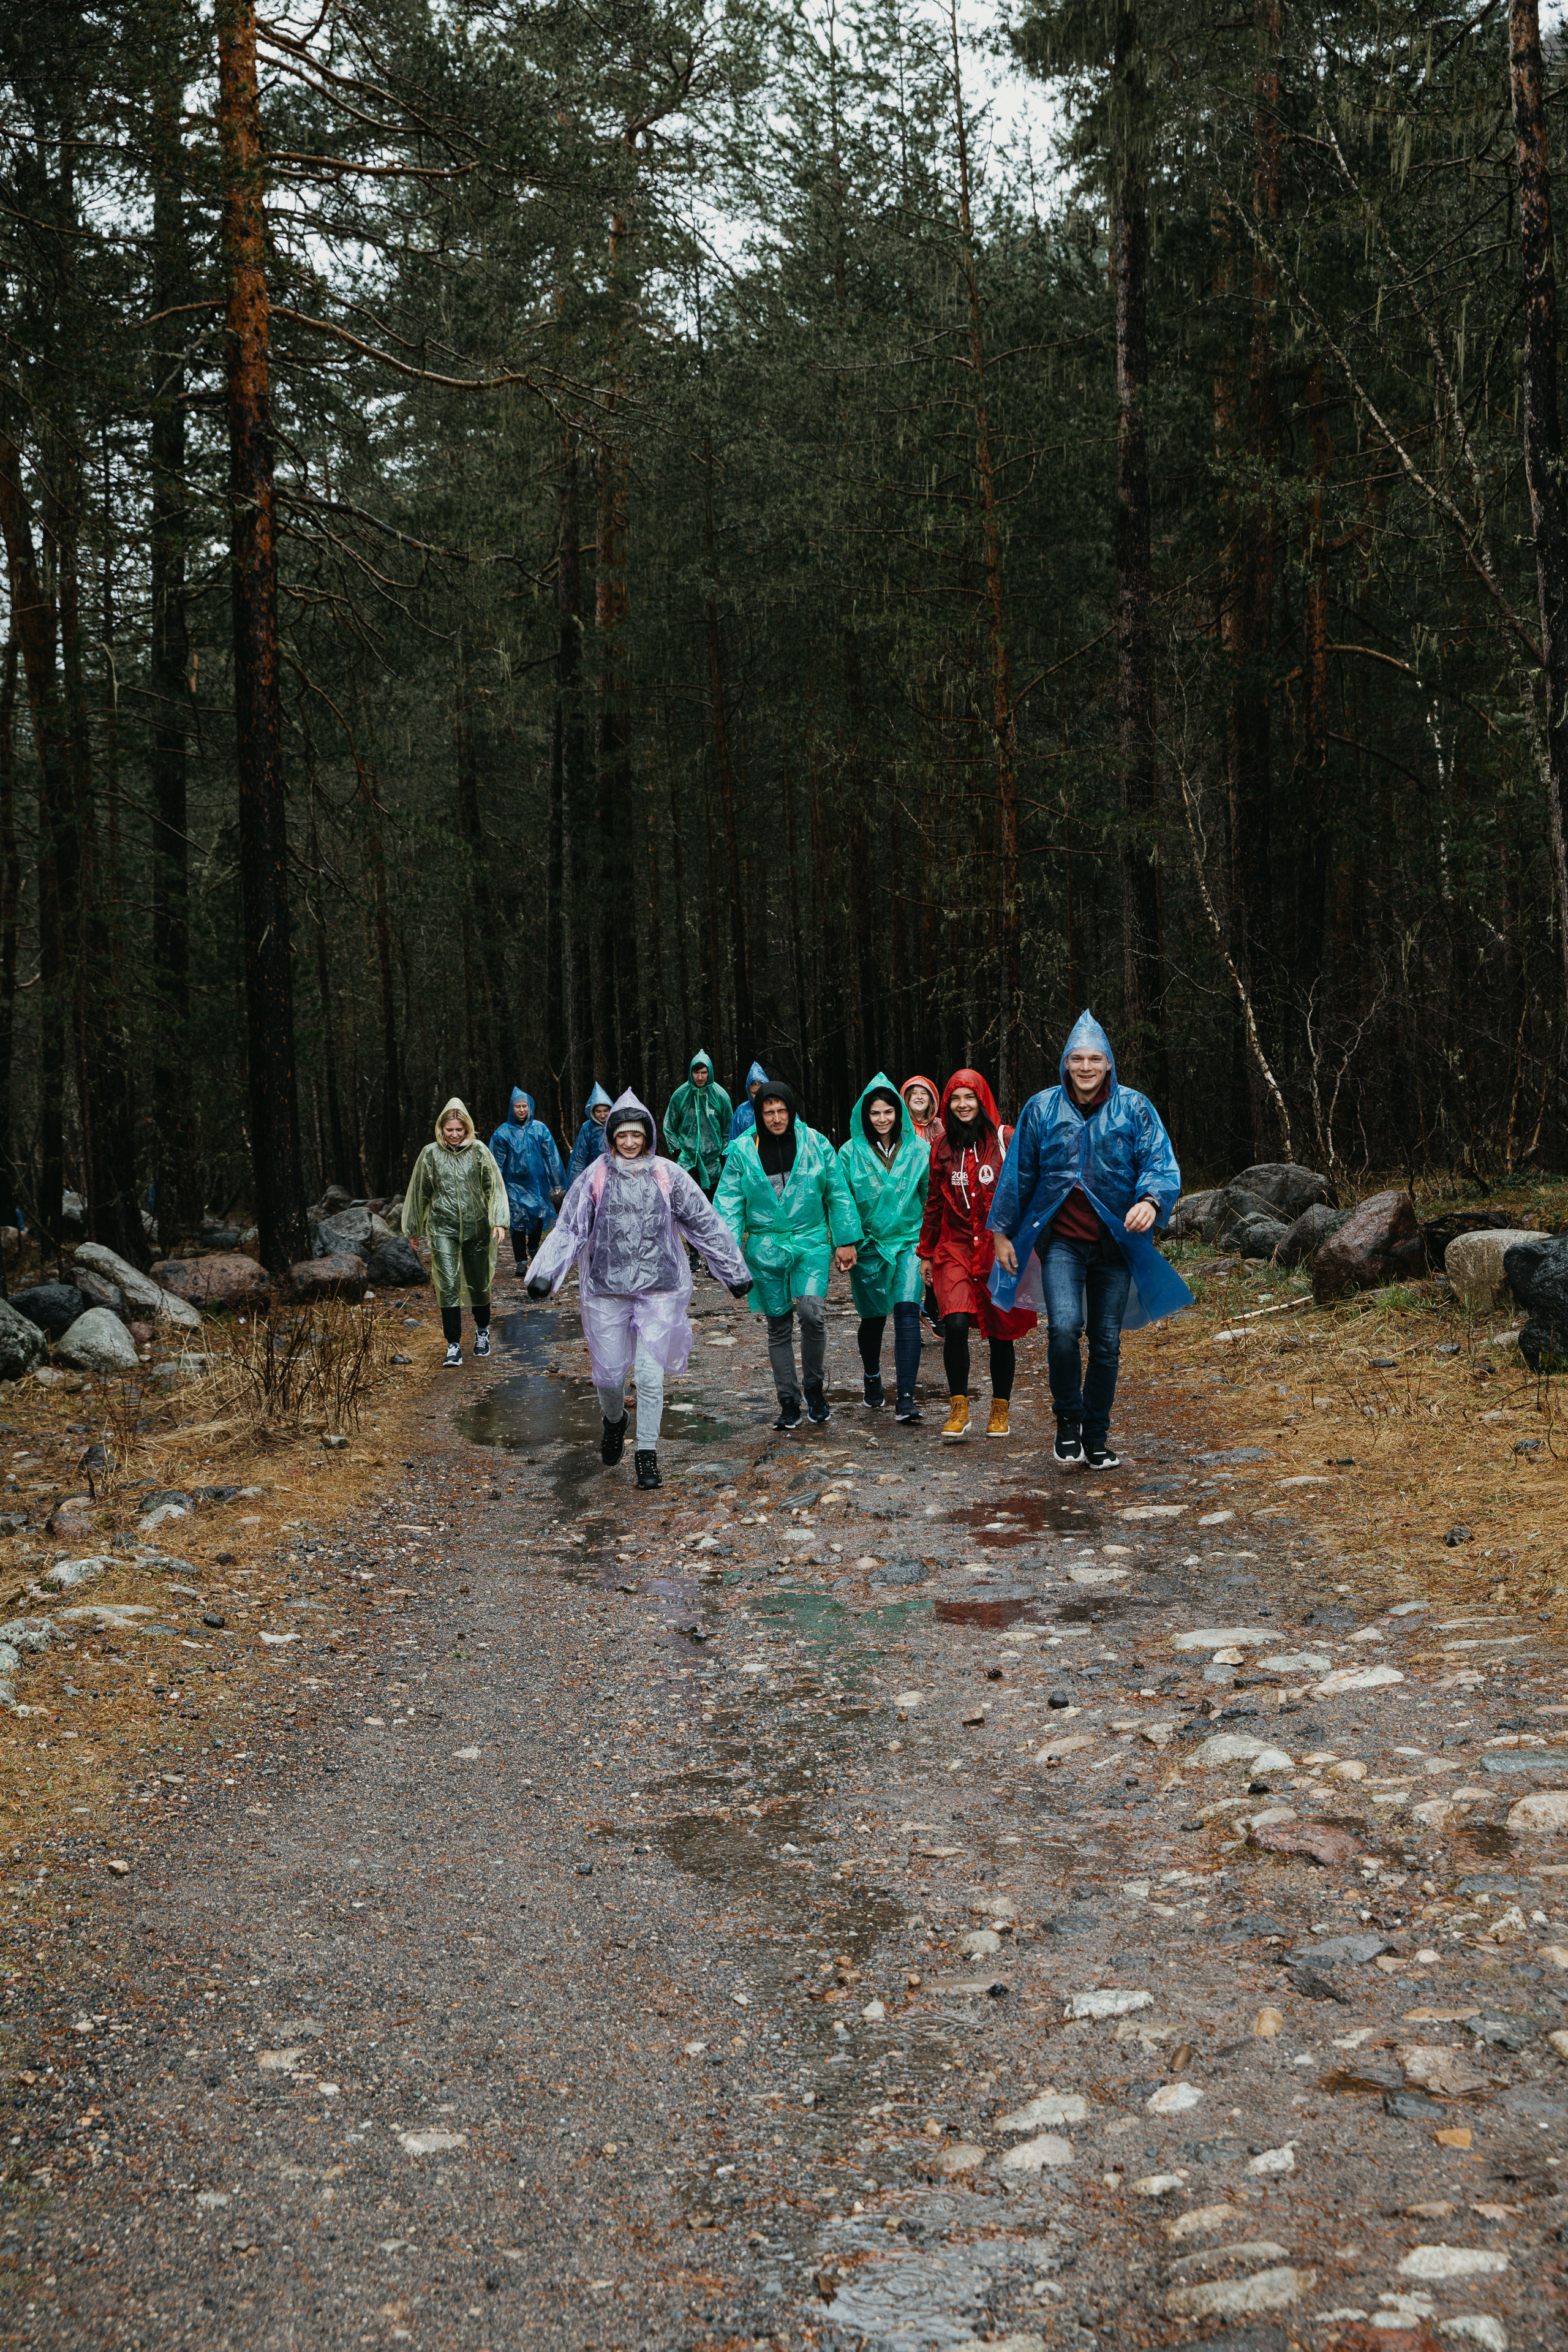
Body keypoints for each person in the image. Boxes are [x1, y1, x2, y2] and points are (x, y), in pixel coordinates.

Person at [988, 1009, 1189, 1469]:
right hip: (1061, 1242)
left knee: (1106, 1342)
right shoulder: (1041, 1108)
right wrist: (1002, 1232)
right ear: (1065, 1063)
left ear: (1108, 1064)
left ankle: (1096, 1436)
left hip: (1116, 1246)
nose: (1085, 1067)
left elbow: (1160, 1164)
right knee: (1062, 1329)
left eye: (1094, 1059)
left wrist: (1152, 1202)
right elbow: (1018, 1173)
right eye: (1077, 1059)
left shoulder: (1134, 1108)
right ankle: (1068, 1423)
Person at [526, 1091, 751, 1490]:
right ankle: (615, 1420)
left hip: (657, 1290)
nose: (630, 1143)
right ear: (611, 1137)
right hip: (606, 1289)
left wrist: (733, 1271)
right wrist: (545, 1273)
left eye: (637, 1135)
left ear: (648, 1136)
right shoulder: (595, 1176)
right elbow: (570, 1229)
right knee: (608, 1377)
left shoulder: (668, 1174)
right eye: (622, 1136)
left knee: (650, 1377)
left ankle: (647, 1453)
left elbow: (704, 1222)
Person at [715, 1079, 862, 1431]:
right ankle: (788, 1399)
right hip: (765, 1247)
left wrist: (845, 1239)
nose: (776, 1118)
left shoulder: (815, 1143)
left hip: (809, 1240)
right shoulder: (742, 1150)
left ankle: (814, 1388)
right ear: (758, 1113)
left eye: (782, 1111)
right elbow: (729, 1202)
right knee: (778, 1324)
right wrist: (728, 1246)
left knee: (812, 1313)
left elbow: (838, 1191)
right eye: (768, 1112)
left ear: (791, 1110)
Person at [917, 1068, 1035, 1441]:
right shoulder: (942, 1147)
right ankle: (959, 1406)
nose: (963, 1105)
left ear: (982, 1101)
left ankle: (1000, 1408)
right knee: (953, 1323)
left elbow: (1027, 1188)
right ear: (948, 1104)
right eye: (956, 1098)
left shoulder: (1005, 1139)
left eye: (970, 1097)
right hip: (953, 1246)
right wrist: (926, 1252)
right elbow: (935, 1201)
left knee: (1001, 1333)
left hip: (996, 1249)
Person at [836, 1071, 929, 1422]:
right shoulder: (848, 1153)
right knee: (874, 1317)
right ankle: (872, 1376)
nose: (882, 1119)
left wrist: (930, 1246)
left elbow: (930, 1199)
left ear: (899, 1112)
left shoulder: (920, 1150)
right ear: (865, 1115)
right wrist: (844, 1242)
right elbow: (841, 1199)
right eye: (875, 1113)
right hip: (869, 1246)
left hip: (909, 1242)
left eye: (888, 1112)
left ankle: (905, 1396)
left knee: (907, 1313)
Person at [404, 1098, 510, 1366]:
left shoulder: (479, 1151)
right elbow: (420, 1192)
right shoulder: (430, 1154)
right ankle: (452, 1344)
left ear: (467, 1129)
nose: (454, 1135)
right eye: (449, 1130)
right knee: (447, 1284)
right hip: (442, 1228)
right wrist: (414, 1228)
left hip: (477, 1227)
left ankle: (482, 1332)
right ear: (441, 1129)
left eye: (459, 1130)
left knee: (479, 1281)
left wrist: (498, 1219)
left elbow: (493, 1186)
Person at [487, 1088, 567, 1272]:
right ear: (512, 1108)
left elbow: (551, 1156)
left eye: (525, 1106)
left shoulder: (540, 1129)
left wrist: (557, 1182)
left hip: (537, 1184)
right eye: (518, 1106)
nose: (522, 1110)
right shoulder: (503, 1133)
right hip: (512, 1185)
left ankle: (533, 1245)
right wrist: (495, 1188)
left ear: (530, 1107)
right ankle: (521, 1261)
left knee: (537, 1217)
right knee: (517, 1222)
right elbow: (496, 1163)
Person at [663, 1049, 734, 1195]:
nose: (700, 1077)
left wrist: (723, 1155)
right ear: (691, 1073)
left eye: (704, 1073)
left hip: (714, 1165)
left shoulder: (721, 1096)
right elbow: (669, 1126)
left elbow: (728, 1128)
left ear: (710, 1072)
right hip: (687, 1163)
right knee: (687, 1207)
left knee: (712, 1207)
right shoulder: (680, 1095)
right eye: (696, 1073)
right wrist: (677, 1151)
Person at [565, 1082, 614, 1188]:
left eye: (606, 1111)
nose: (602, 1115)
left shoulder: (617, 1125)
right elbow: (580, 1157)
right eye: (598, 1111)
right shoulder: (588, 1128)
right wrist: (575, 1185)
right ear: (593, 1111)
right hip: (595, 1176)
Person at [726, 1061, 769, 1145]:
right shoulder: (741, 1112)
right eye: (754, 1093)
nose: (758, 1096)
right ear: (749, 1092)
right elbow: (734, 1142)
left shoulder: (777, 1106)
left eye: (761, 1092)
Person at [900, 1075, 942, 1147]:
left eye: (924, 1093)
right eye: (914, 1093)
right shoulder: (899, 1126)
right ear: (906, 1098)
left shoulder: (941, 1126)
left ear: (930, 1099)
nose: (919, 1097)